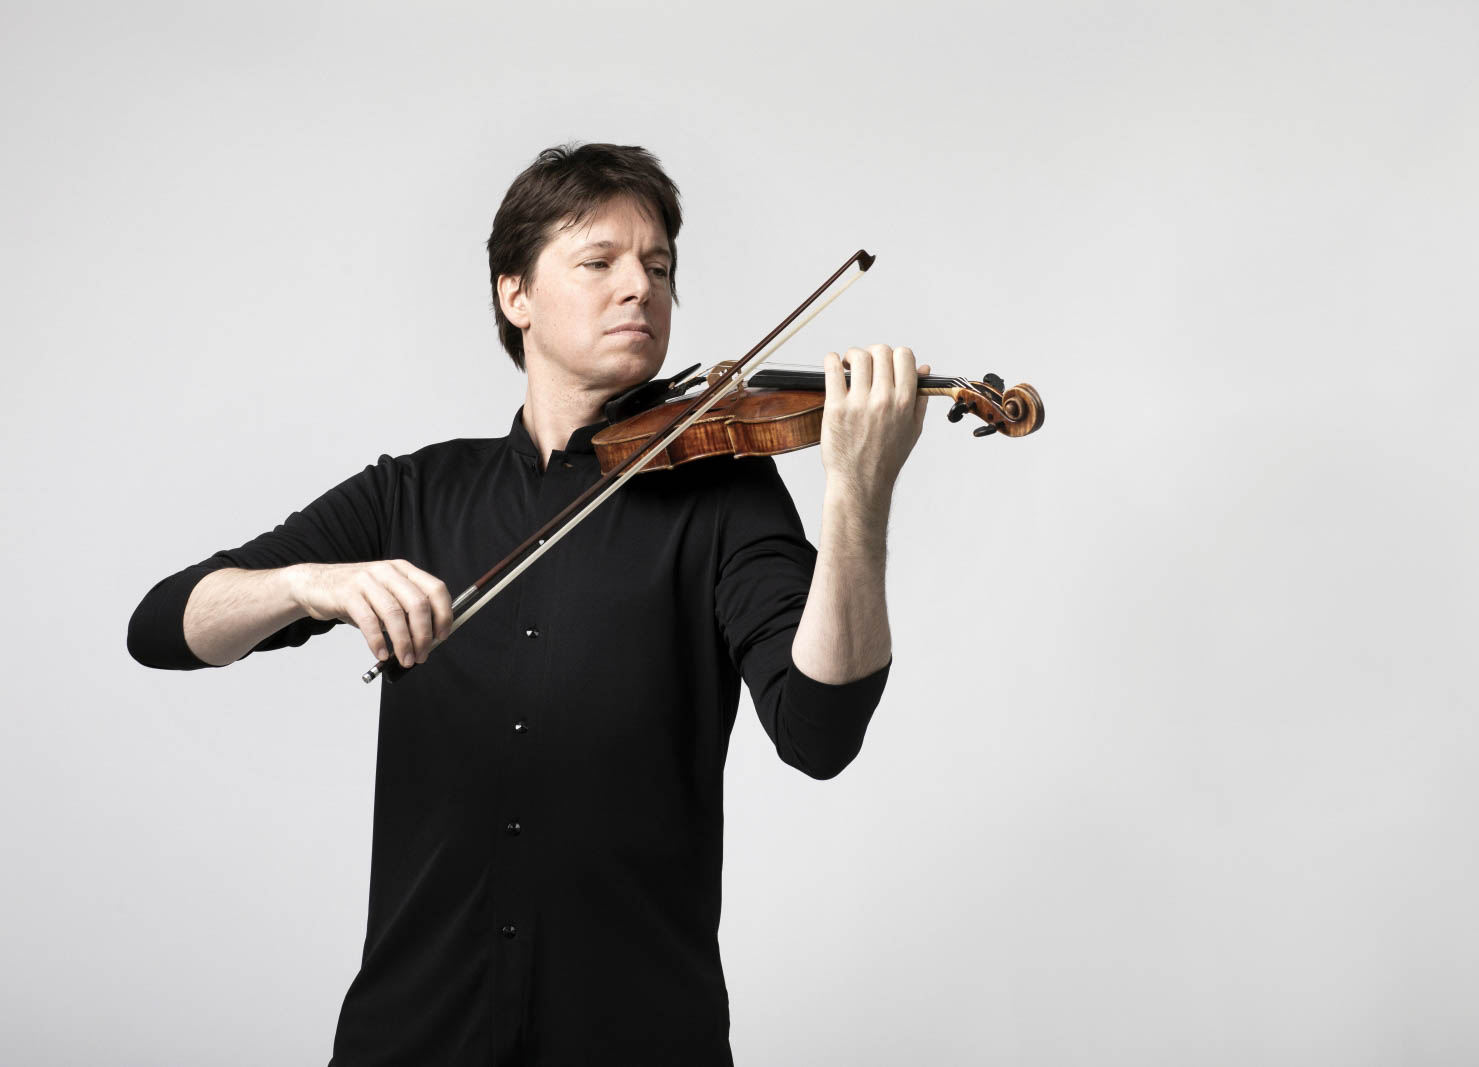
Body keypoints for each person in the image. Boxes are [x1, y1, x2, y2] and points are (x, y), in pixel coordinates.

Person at [127, 142, 928, 1065]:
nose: (640, 287)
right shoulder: (413, 493)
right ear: (516, 294)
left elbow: (820, 729)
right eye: (600, 261)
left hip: (637, 1039)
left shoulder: (725, 495)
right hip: (414, 1035)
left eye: (659, 266)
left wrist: (857, 494)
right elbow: (165, 626)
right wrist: (312, 582)